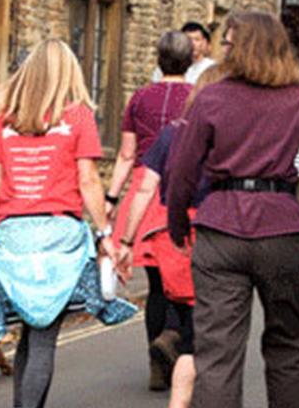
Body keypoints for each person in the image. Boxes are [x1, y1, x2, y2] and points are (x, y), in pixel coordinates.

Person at [166, 11, 299, 408]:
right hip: (282, 229)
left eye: (228, 43)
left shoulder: (211, 96)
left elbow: (181, 169)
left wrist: (177, 225)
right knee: (289, 347)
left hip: (220, 230)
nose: (223, 50)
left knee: (217, 356)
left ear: (242, 48)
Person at [0, 39, 136, 408]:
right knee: (44, 337)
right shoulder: (78, 116)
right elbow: (88, 181)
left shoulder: (5, 118)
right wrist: (105, 235)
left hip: (12, 234)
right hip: (57, 236)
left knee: (28, 337)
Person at [113, 64, 230, 408]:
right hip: (212, 232)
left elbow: (145, 189)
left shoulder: (170, 134)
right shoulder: (228, 137)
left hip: (170, 232)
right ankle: (178, 349)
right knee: (204, 329)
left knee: (174, 298)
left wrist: (126, 240)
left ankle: (170, 337)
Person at [110, 31, 197, 390]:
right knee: (188, 282)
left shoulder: (140, 98)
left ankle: (157, 365)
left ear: (158, 60)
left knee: (158, 287)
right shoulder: (198, 99)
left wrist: (111, 198)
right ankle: (178, 343)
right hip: (183, 192)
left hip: (144, 196)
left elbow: (127, 154)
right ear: (190, 61)